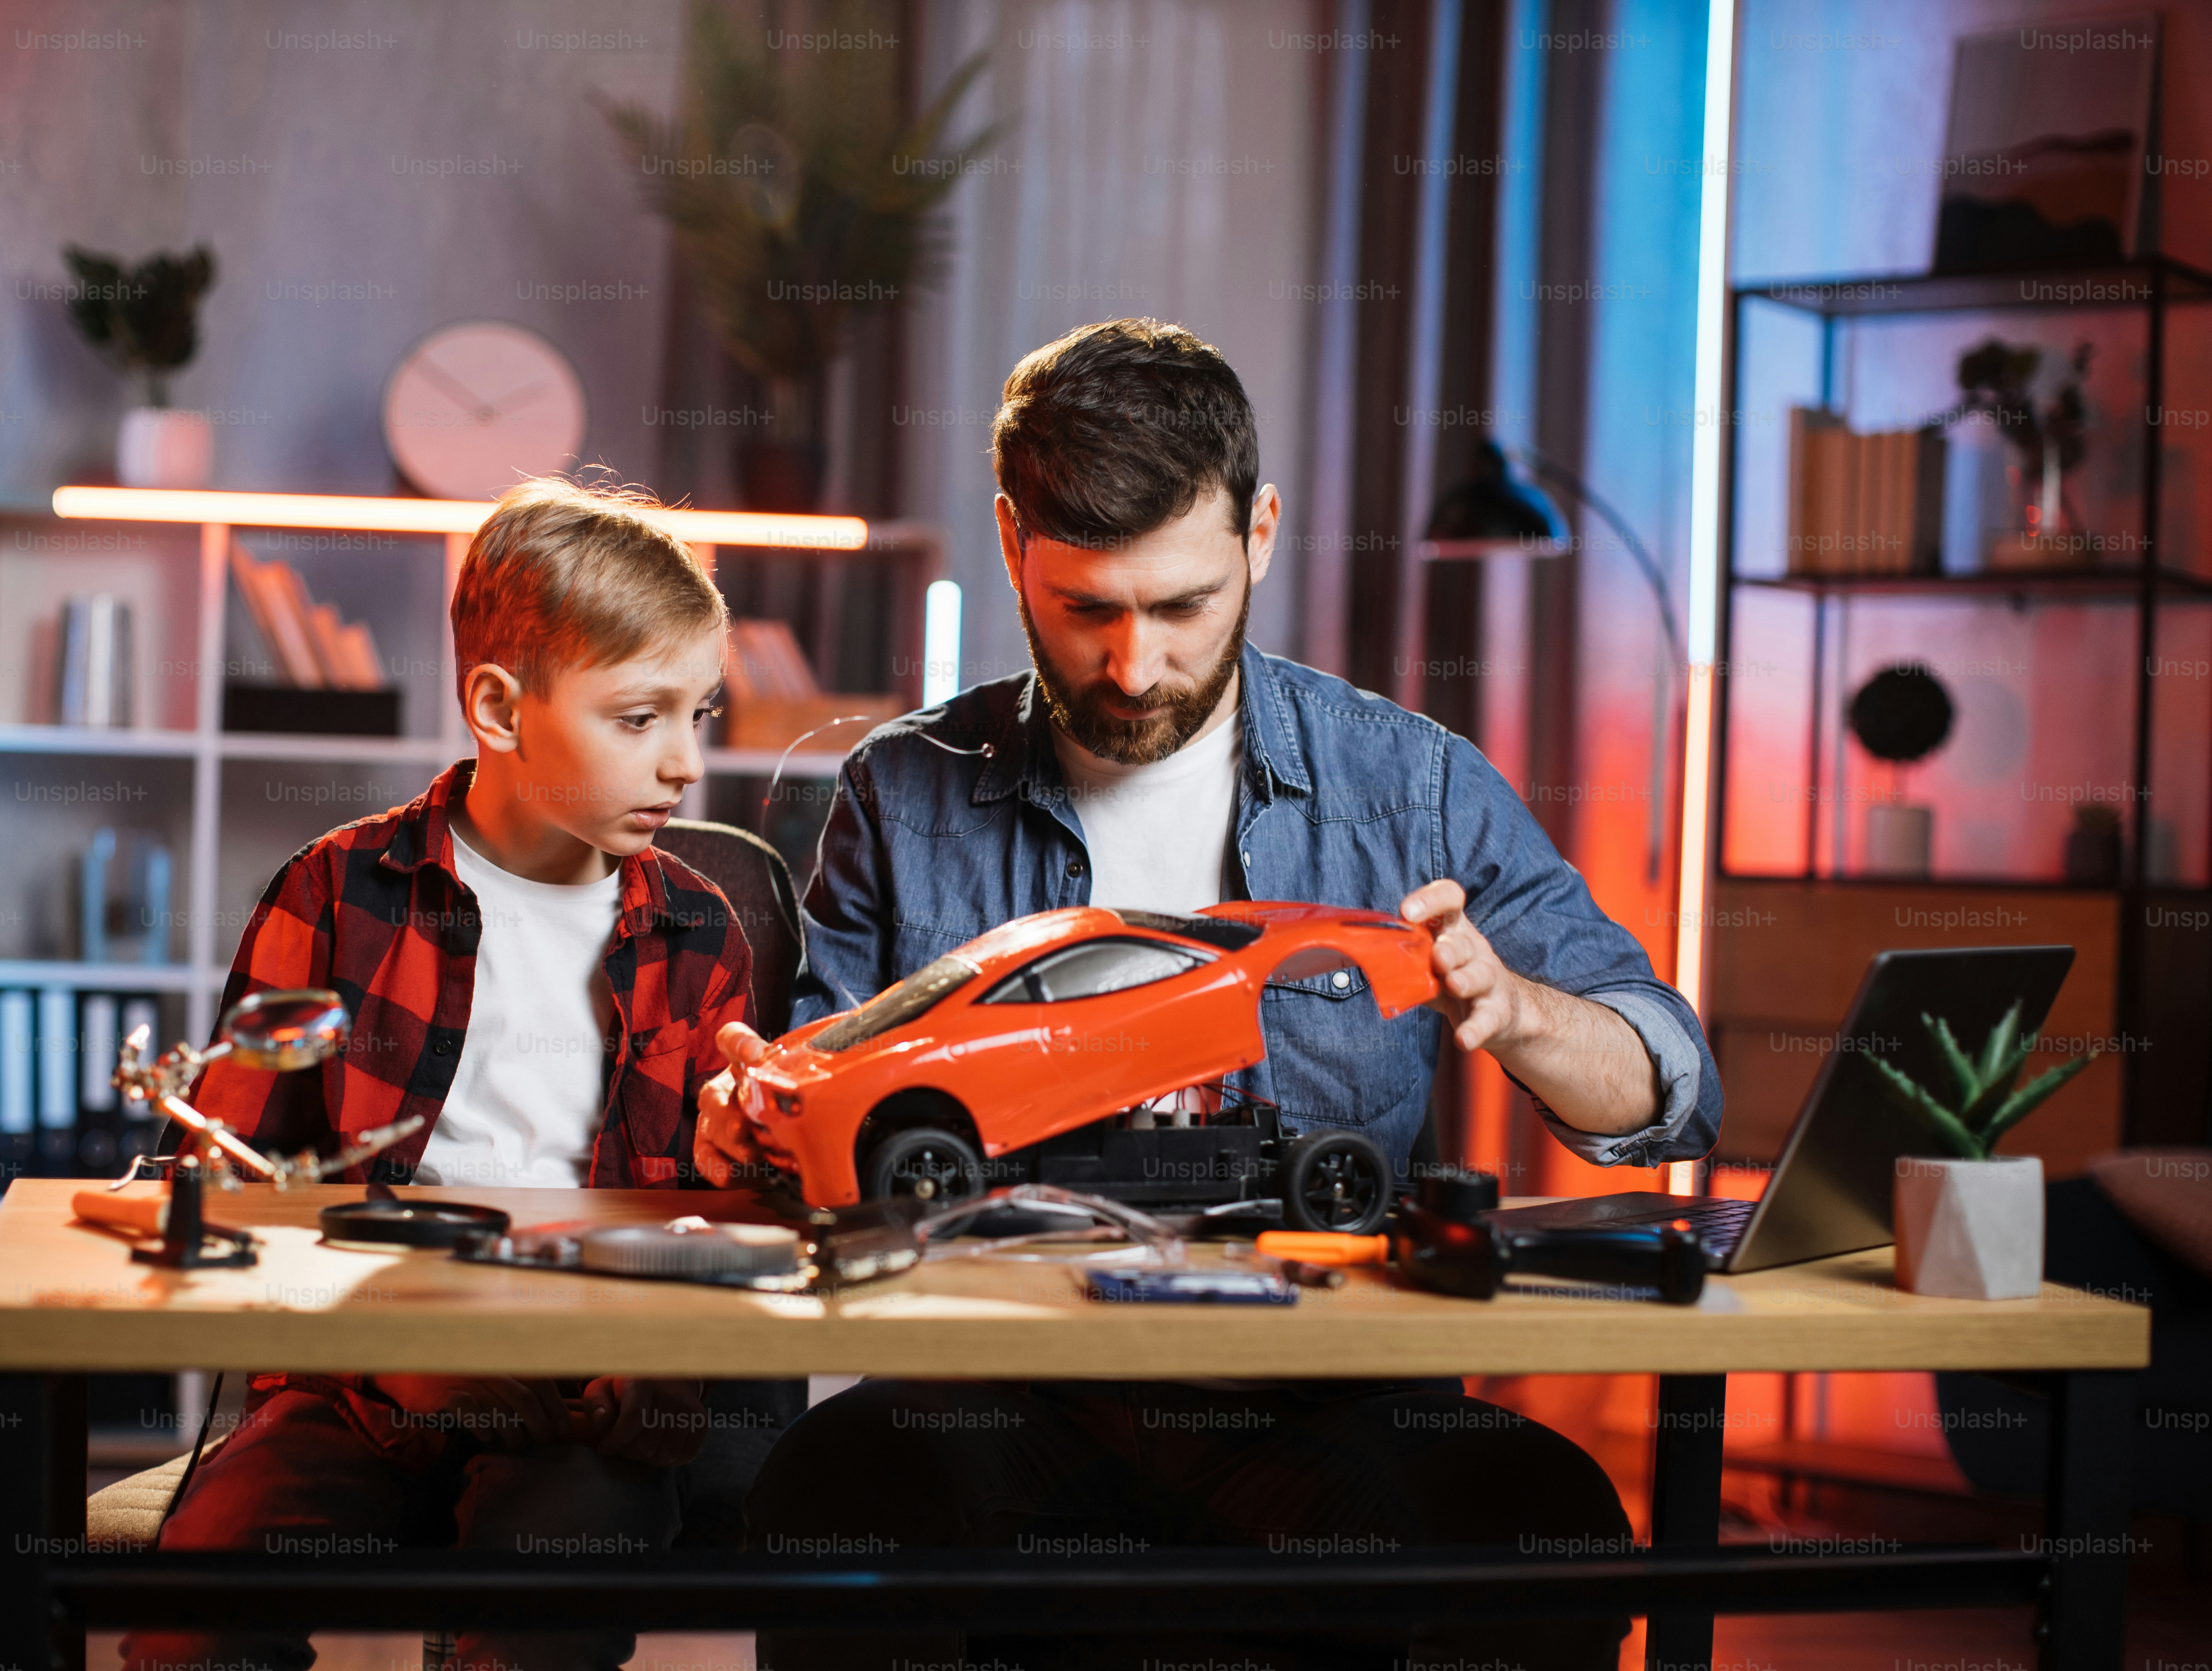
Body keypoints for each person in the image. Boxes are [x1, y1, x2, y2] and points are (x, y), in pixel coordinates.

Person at [697, 318, 1724, 1670]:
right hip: (1000, 1401)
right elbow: (826, 1111)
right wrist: (755, 1130)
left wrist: (1517, 1009)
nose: (1134, 668)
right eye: (1087, 611)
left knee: (1542, 1520)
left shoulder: (1406, 784)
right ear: (1013, 545)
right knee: (835, 1497)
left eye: (1181, 608)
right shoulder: (906, 786)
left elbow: (1669, 1088)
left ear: (1261, 536)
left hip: (1327, 1403)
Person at [123, 479, 758, 1671]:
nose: (683, 763)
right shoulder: (333, 891)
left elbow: (718, 1220)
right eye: (638, 718)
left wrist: (650, 1362)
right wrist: (395, 1354)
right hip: (357, 1384)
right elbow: (234, 1187)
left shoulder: (699, 931)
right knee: (192, 1623)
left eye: (700, 715)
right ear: (498, 708)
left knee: (540, 1623)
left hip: (589, 1403)